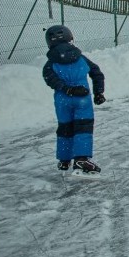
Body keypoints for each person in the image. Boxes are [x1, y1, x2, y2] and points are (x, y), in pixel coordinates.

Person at [41, 25, 106, 173]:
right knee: (83, 128)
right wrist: (99, 93)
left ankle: (64, 160)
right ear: (70, 38)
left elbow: (50, 78)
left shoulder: (50, 63)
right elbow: (97, 73)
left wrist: (66, 89)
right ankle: (81, 159)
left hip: (62, 100)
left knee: (65, 128)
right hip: (82, 100)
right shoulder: (80, 57)